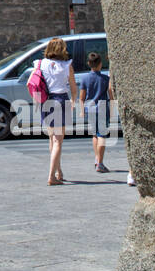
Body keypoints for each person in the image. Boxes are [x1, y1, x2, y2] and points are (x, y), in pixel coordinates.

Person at [39, 38, 78, 186]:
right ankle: (52, 176)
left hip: (46, 101)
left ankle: (58, 171)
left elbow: (31, 82)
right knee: (58, 141)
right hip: (61, 100)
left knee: (52, 139)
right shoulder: (67, 66)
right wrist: (73, 101)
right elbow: (73, 87)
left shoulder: (40, 63)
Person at [78, 51, 114, 172]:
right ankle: (100, 163)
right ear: (100, 64)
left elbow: (82, 97)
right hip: (103, 107)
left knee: (95, 135)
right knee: (102, 135)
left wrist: (82, 110)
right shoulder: (105, 79)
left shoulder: (84, 78)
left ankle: (96, 158)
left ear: (89, 63)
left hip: (90, 108)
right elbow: (110, 93)